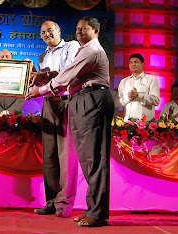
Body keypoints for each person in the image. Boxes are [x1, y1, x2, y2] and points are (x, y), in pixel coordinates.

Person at [26, 16, 114, 227]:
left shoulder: (89, 50)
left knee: (94, 158)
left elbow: (66, 76)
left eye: (84, 28)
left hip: (91, 99)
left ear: (95, 31)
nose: (79, 31)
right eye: (77, 28)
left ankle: (97, 212)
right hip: (82, 99)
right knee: (87, 158)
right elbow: (67, 76)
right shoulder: (84, 50)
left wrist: (41, 89)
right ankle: (93, 209)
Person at [29, 21, 80, 218]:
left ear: (59, 31)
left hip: (67, 103)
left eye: (50, 30)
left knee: (66, 156)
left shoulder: (72, 46)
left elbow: (67, 74)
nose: (47, 34)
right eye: (43, 32)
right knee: (49, 156)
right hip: (49, 104)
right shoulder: (42, 56)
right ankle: (51, 202)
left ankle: (64, 204)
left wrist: (44, 75)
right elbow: (43, 81)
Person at [115, 54, 160, 121]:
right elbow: (117, 103)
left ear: (143, 64)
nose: (133, 64)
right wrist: (128, 99)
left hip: (145, 124)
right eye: (131, 62)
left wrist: (139, 95)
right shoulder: (124, 82)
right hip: (127, 123)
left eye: (136, 62)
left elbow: (156, 100)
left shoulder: (151, 79)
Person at [0, 49, 25, 117]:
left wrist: (10, 111)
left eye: (7, 56)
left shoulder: (20, 75)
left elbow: (22, 97)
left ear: (12, 59)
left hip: (15, 116)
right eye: (2, 56)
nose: (4, 58)